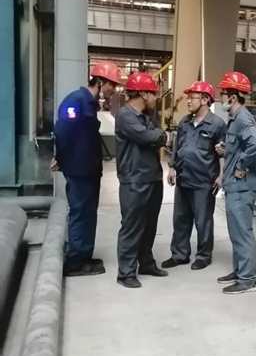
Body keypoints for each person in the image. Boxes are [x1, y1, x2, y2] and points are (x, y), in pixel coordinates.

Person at [53, 61, 122, 277]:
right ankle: (75, 261)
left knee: (88, 213)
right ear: (100, 81)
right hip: (79, 169)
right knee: (80, 213)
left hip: (89, 169)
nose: (113, 90)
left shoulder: (90, 104)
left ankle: (84, 255)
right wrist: (60, 157)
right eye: (112, 85)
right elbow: (63, 131)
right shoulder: (76, 101)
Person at [163, 81, 227, 271]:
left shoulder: (217, 124)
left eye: (192, 97)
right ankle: (179, 254)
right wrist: (172, 167)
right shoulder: (185, 122)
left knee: (203, 221)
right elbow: (177, 146)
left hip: (204, 181)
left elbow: (223, 152)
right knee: (180, 219)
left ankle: (203, 256)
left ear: (205, 100)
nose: (188, 101)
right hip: (184, 178)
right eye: (188, 97)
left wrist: (221, 175)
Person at [115, 72, 169, 288]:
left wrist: (156, 136)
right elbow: (146, 137)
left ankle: (146, 263)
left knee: (149, 225)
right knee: (132, 226)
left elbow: (160, 136)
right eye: (154, 94)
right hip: (134, 180)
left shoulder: (148, 117)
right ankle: (126, 273)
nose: (156, 98)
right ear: (144, 94)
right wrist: (155, 136)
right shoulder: (125, 116)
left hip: (153, 177)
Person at [215, 72, 256, 294]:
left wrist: (241, 165)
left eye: (223, 93)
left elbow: (255, 144)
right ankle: (240, 270)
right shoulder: (234, 118)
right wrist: (227, 148)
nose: (221, 97)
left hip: (243, 185)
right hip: (235, 185)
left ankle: (248, 279)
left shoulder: (243, 118)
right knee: (236, 231)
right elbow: (241, 145)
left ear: (233, 97)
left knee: (242, 232)